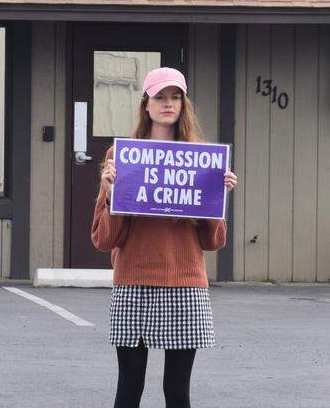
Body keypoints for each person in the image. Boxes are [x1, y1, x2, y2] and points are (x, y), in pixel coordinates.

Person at [91, 67, 238, 408]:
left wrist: (218, 197)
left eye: (175, 97)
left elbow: (212, 242)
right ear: (146, 104)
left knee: (177, 391)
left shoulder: (203, 160)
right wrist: (109, 193)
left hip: (186, 282)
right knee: (128, 388)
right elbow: (103, 240)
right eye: (160, 97)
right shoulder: (121, 157)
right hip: (133, 281)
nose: (168, 104)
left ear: (184, 105)